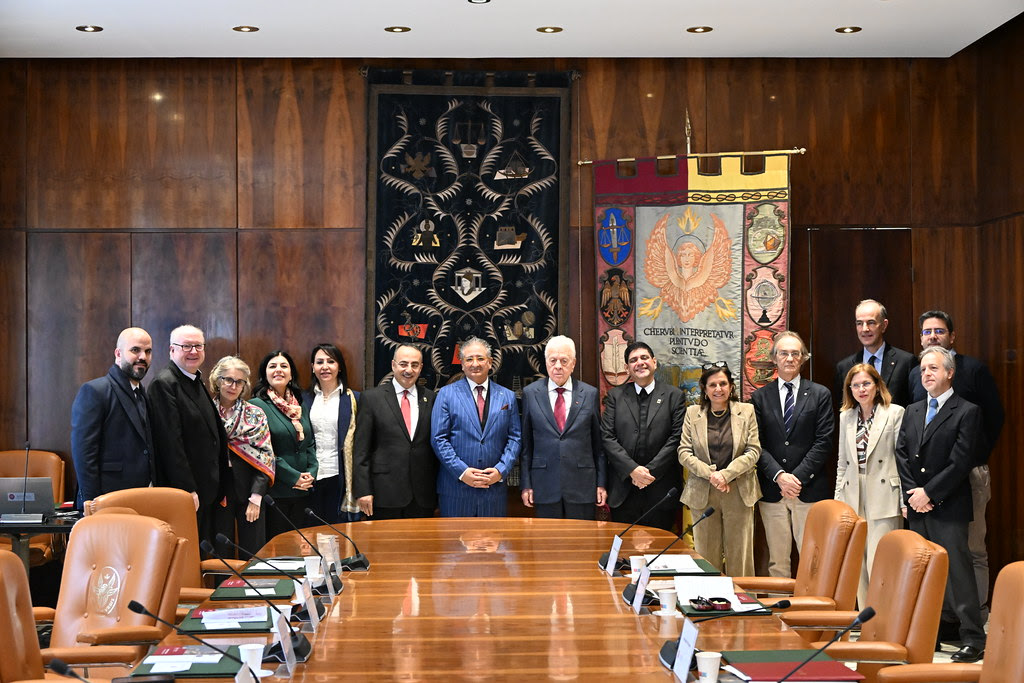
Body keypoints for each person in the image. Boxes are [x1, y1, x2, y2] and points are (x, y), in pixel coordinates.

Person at [908, 310, 1004, 617]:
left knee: (970, 547)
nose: (932, 336)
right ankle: (944, 618)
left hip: (968, 472)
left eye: (939, 330)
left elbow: (994, 417)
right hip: (926, 483)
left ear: (952, 335)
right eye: (926, 332)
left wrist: (972, 457)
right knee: (933, 551)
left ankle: (976, 614)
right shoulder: (915, 373)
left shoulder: (973, 369)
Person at [896, 346, 986, 663]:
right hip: (917, 506)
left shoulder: (967, 411)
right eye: (923, 369)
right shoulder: (912, 410)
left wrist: (929, 494)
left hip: (948, 504)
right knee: (922, 572)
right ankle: (927, 634)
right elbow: (901, 454)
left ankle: (973, 638)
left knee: (958, 573)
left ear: (950, 372)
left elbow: (960, 462)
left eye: (933, 368)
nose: (927, 374)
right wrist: (913, 494)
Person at [751, 330, 834, 578]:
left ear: (803, 358)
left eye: (795, 353)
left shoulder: (820, 394)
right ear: (774, 358)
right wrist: (779, 476)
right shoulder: (759, 397)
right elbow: (756, 444)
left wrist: (796, 478)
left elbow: (824, 441)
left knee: (812, 562)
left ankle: (811, 605)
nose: (789, 358)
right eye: (784, 353)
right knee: (777, 562)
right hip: (772, 490)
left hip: (808, 489)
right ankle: (780, 605)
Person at [149, 324, 230, 549]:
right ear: (172, 350)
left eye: (198, 346)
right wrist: (187, 490)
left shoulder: (195, 379)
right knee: (187, 554)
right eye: (186, 346)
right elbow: (170, 443)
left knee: (202, 552)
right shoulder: (164, 384)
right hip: (186, 492)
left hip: (207, 490)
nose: (193, 351)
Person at [677, 363, 761, 576]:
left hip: (738, 491)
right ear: (704, 389)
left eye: (723, 383)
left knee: (740, 556)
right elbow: (684, 452)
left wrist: (726, 474)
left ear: (731, 386)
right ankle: (708, 596)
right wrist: (712, 475)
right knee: (706, 557)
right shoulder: (692, 413)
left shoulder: (747, 411)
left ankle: (742, 596)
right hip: (703, 493)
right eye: (712, 385)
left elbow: (753, 450)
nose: (718, 389)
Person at [835, 363, 905, 609]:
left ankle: (885, 618)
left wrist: (903, 500)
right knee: (858, 561)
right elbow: (842, 463)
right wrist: (838, 501)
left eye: (866, 383)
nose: (861, 389)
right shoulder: (846, 416)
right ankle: (867, 618)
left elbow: (901, 460)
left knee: (880, 561)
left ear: (877, 385)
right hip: (853, 492)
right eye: (855, 385)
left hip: (884, 492)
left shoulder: (894, 413)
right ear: (849, 390)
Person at [431, 337, 521, 517]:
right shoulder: (446, 395)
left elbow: (515, 438)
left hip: (493, 489)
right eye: (469, 359)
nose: (475, 364)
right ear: (462, 364)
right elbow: (439, 439)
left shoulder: (507, 397)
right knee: (455, 536)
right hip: (456, 489)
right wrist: (462, 472)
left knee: (492, 535)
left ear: (490, 362)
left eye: (480, 358)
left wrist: (501, 470)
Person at [601, 342, 685, 532]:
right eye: (633, 360)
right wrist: (632, 470)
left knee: (660, 548)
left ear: (654, 362)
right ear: (627, 368)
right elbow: (607, 437)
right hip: (624, 490)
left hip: (660, 489)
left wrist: (648, 473)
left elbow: (676, 438)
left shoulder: (674, 396)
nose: (640, 362)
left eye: (644, 358)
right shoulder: (615, 396)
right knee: (624, 548)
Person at [520, 336, 606, 520]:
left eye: (564, 361)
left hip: (583, 485)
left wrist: (601, 483)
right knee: (549, 537)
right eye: (553, 360)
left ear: (573, 364)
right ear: (546, 363)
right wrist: (526, 484)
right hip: (544, 484)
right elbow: (526, 445)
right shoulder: (530, 393)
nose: (558, 366)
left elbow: (598, 445)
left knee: (581, 537)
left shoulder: (589, 394)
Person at [70, 327, 156, 508]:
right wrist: (92, 503)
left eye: (148, 351)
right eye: (135, 350)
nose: (142, 357)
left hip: (141, 497)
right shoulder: (95, 391)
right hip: (106, 500)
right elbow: (84, 455)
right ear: (118, 354)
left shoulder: (142, 394)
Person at [352, 345, 438, 519]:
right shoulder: (371, 398)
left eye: (414, 365)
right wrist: (363, 490)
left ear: (421, 368)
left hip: (422, 495)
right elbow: (361, 449)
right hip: (384, 493)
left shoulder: (432, 398)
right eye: (403, 364)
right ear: (393, 365)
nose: (409, 370)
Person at [209, 356, 275, 557]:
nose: (233, 386)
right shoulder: (207, 412)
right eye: (228, 380)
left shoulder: (255, 414)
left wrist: (256, 497)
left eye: (239, 382)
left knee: (254, 553)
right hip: (216, 491)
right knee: (221, 553)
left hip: (249, 489)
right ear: (217, 380)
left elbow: (266, 457)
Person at [250, 350, 317, 540]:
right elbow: (263, 451)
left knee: (302, 547)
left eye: (284, 366)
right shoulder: (256, 406)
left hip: (304, 491)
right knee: (279, 549)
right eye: (272, 366)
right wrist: (293, 477)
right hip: (276, 492)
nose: (278, 370)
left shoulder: (300, 405)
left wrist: (311, 473)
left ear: (291, 374)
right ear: (264, 374)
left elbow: (309, 444)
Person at [302, 343, 359, 523]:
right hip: (309, 477)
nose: (325, 367)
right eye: (320, 362)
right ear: (313, 367)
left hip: (339, 476)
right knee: (310, 531)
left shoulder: (354, 399)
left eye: (331, 361)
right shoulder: (302, 399)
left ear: (339, 366)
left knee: (337, 531)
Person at [834, 299, 915, 407]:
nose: (865, 329)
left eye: (871, 322)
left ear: (884, 325)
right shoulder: (844, 367)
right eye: (859, 323)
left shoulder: (906, 362)